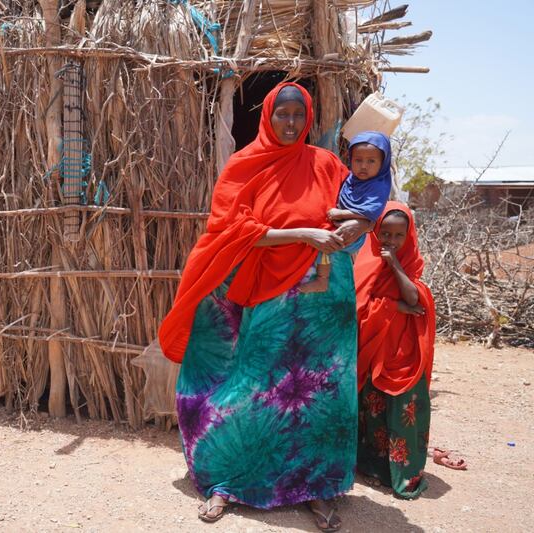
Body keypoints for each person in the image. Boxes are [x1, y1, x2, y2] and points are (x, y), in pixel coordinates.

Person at [158, 82, 372, 531]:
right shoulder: (245, 166)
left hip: (322, 295)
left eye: (299, 115)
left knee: (318, 392)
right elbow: (232, 228)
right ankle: (227, 482)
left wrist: (352, 228)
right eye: (283, 114)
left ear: (308, 117)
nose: (291, 123)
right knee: (253, 386)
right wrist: (303, 235)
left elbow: (358, 210)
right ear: (268, 116)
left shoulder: (327, 165)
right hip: (263, 292)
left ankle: (315, 487)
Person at [353, 202, 436, 499]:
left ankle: (405, 474)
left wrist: (395, 266)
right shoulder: (365, 263)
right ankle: (375, 468)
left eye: (398, 235)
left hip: (405, 352)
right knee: (374, 409)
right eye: (384, 233)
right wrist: (397, 306)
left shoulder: (411, 262)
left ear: (409, 236)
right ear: (375, 232)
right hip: (376, 349)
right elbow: (358, 305)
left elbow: (415, 295)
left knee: (404, 411)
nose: (390, 241)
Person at [299, 131, 392, 294]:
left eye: (371, 161)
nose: (363, 166)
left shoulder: (378, 186)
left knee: (325, 241)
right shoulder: (350, 179)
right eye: (358, 160)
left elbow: (369, 213)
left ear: (382, 163)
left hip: (352, 236)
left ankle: (322, 280)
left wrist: (341, 214)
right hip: (341, 228)